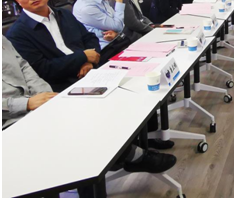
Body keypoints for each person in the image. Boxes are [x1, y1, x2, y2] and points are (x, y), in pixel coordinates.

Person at [1, 37, 177, 178]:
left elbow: (25, 67)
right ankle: (132, 157)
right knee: (78, 126)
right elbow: (45, 68)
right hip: (10, 118)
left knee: (107, 105)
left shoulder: (6, 38)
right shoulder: (20, 32)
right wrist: (27, 103)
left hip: (43, 96)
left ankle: (126, 153)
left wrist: (43, 95)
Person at [6, 0, 101, 92]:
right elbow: (42, 69)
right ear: (17, 0)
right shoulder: (17, 34)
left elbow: (89, 38)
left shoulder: (64, 13)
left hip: (91, 72)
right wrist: (82, 57)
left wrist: (89, 62)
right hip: (60, 87)